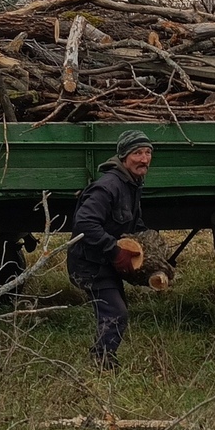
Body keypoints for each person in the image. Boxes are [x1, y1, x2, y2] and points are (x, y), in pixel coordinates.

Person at [66, 129, 154, 370]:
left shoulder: (132, 183)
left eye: (147, 153)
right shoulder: (108, 187)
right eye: (137, 153)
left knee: (115, 311)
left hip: (104, 262)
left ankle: (103, 357)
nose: (144, 159)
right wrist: (114, 250)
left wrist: (151, 251)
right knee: (116, 312)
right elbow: (84, 223)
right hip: (89, 264)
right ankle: (102, 362)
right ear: (124, 156)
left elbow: (133, 224)